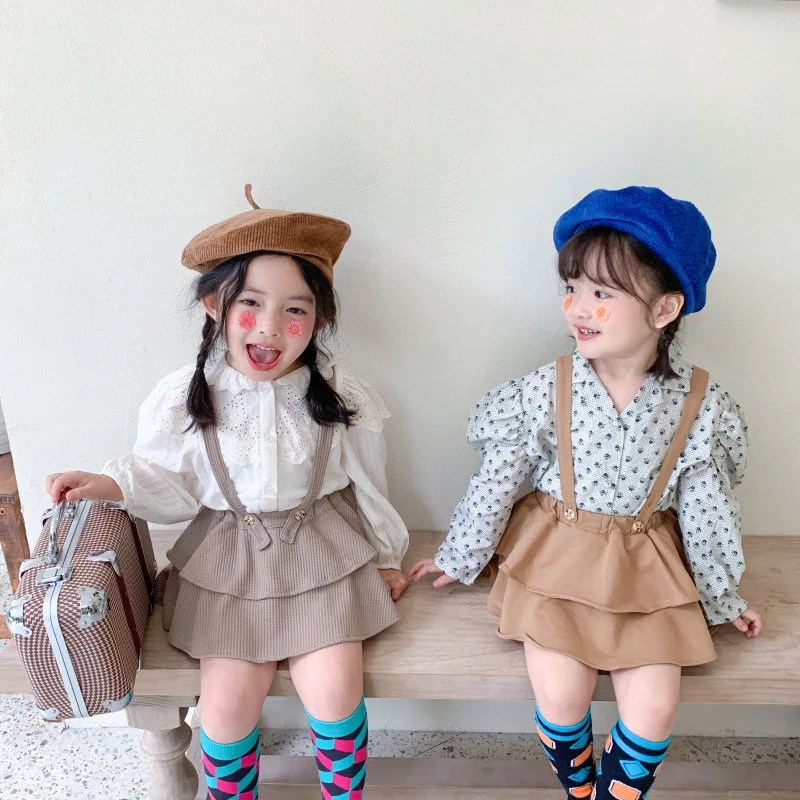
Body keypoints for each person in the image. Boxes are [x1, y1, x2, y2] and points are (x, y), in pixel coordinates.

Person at [48, 186, 409, 800]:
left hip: (323, 554)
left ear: (319, 319)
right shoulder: (187, 396)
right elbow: (168, 481)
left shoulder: (340, 394)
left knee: (335, 690)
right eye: (251, 303)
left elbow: (370, 483)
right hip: (228, 562)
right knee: (225, 705)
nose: (270, 326)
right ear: (215, 304)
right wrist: (110, 483)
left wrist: (387, 555)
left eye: (294, 310)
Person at [410, 186, 761, 800]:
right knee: (561, 696)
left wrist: (721, 594)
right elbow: (498, 476)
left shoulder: (701, 405)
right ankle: (579, 792)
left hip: (647, 569)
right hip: (555, 559)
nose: (578, 307)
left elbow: (707, 510)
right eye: (571, 288)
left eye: (603, 293)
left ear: (664, 309)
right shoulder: (546, 388)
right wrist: (461, 554)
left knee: (655, 708)